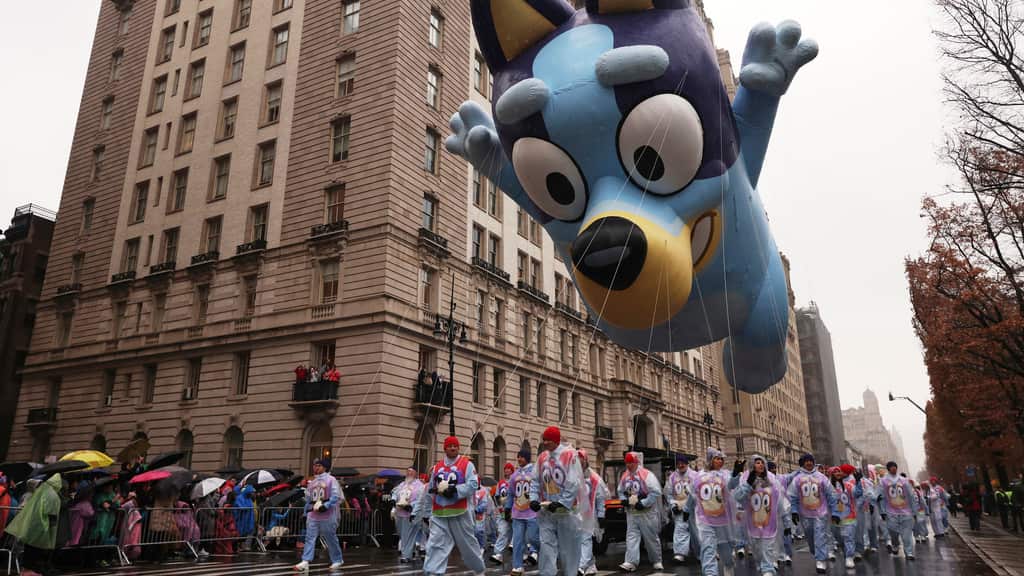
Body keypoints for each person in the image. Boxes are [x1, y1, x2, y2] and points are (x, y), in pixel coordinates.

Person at [421, 436, 485, 576]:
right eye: (450, 446)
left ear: (458, 447)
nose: (452, 448)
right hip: (440, 513)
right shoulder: (437, 467)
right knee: (435, 543)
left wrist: (455, 490)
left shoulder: (467, 464)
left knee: (467, 544)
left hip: (460, 513)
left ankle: (479, 570)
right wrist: (426, 513)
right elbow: (430, 490)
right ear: (444, 448)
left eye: (455, 446)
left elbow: (474, 485)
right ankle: (433, 571)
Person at [530, 426, 583, 576]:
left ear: (555, 441)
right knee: (546, 545)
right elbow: (535, 480)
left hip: (567, 512)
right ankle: (547, 573)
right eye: (544, 439)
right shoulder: (542, 458)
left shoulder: (568, 456)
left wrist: (562, 502)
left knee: (568, 548)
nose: (545, 443)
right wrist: (534, 499)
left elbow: (573, 483)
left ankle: (571, 573)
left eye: (548, 440)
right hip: (546, 511)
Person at [731, 455, 788, 576]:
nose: (761, 465)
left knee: (767, 548)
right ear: (752, 465)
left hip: (769, 523)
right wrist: (748, 484)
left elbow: (779, 502)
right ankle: (763, 565)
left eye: (762, 463)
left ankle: (768, 570)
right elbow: (738, 497)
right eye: (757, 463)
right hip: (753, 523)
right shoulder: (747, 481)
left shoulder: (771, 481)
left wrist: (786, 521)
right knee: (757, 550)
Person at [686, 448, 737, 576]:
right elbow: (693, 494)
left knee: (726, 550)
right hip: (705, 520)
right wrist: (687, 509)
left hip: (723, 520)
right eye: (717, 458)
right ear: (710, 460)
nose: (720, 461)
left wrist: (736, 474)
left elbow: (732, 485)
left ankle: (729, 565)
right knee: (708, 548)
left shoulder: (725, 475)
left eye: (722, 459)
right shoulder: (699, 476)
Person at [787, 453, 838, 574]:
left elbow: (831, 495)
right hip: (805, 514)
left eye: (811, 461)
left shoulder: (821, 477)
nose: (809, 463)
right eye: (806, 461)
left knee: (820, 535)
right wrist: (794, 511)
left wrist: (835, 511)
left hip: (821, 513)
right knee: (810, 537)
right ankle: (817, 553)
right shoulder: (797, 479)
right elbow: (793, 497)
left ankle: (820, 561)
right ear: (803, 463)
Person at [6, 473, 63, 576]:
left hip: (32, 523)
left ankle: (26, 570)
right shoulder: (52, 494)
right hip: (41, 525)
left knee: (30, 547)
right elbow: (52, 513)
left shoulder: (42, 490)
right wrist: (52, 528)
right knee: (36, 548)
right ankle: (29, 571)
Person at [293, 457, 344, 572]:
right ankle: (305, 560)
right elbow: (308, 499)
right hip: (313, 515)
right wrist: (306, 511)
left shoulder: (331, 480)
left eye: (318, 465)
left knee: (330, 537)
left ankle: (337, 559)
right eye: (314, 465)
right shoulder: (312, 482)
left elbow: (335, 496)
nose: (315, 467)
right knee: (309, 537)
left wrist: (325, 505)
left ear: (324, 467)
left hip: (327, 514)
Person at [617, 451, 663, 572]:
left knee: (650, 537)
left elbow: (656, 492)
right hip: (632, 513)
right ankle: (631, 562)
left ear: (636, 462)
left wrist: (643, 503)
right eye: (627, 462)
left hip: (647, 513)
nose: (628, 465)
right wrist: (624, 500)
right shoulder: (625, 476)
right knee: (631, 536)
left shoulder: (646, 475)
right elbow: (620, 490)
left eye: (631, 462)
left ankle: (656, 560)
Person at [506, 450, 540, 576]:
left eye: (521, 457)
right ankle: (517, 566)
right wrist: (508, 508)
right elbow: (510, 493)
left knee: (533, 538)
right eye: (518, 457)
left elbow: (540, 489)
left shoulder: (534, 472)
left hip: (532, 512)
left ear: (527, 458)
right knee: (518, 541)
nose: (519, 459)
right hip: (518, 513)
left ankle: (542, 550)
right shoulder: (514, 475)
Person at [877, 461, 918, 561]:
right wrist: (882, 511)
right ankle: (895, 545)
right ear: (888, 469)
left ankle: (909, 553)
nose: (893, 468)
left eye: (895, 466)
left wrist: (914, 511)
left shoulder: (904, 480)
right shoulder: (883, 481)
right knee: (893, 531)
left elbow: (911, 496)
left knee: (907, 533)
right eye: (891, 467)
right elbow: (881, 497)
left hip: (906, 512)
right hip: (891, 512)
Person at [577, 449, 608, 576]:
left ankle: (581, 566)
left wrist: (601, 515)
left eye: (581, 460)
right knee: (579, 540)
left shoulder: (594, 479)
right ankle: (591, 565)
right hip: (576, 514)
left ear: (585, 461)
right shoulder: (573, 476)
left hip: (590, 515)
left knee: (586, 539)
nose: (579, 463)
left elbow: (601, 497)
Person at [664, 454, 699, 564]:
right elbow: (668, 493)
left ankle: (702, 553)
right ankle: (680, 553)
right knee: (680, 530)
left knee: (697, 532)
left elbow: (698, 493)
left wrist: (691, 506)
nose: (680, 465)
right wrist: (673, 505)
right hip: (679, 509)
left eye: (683, 463)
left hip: (693, 510)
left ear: (687, 463)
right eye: (678, 463)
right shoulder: (673, 477)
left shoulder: (695, 475)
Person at [830, 465, 862, 570]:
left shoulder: (848, 485)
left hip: (849, 517)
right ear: (832, 474)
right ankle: (846, 552)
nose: (838, 473)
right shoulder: (829, 487)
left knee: (849, 538)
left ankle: (849, 557)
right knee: (839, 539)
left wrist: (858, 482)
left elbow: (858, 493)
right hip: (835, 519)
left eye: (839, 471)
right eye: (835, 472)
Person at [392, 466, 425, 563]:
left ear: (416, 474)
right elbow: (395, 492)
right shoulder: (402, 484)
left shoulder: (419, 485)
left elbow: (420, 499)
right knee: (402, 534)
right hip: (399, 513)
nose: (409, 473)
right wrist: (393, 499)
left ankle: (406, 555)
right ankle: (411, 550)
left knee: (408, 534)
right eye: (408, 472)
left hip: (410, 514)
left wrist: (411, 506)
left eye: (411, 472)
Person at [490, 462, 515, 565]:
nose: (506, 470)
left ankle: (521, 551)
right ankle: (498, 554)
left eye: (508, 469)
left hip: (514, 511)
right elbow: (496, 497)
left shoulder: (515, 481)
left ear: (512, 470)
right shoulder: (500, 483)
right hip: (503, 512)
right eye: (505, 469)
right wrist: (499, 507)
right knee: (502, 532)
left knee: (517, 532)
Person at [854, 466, 878, 555]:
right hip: (858, 508)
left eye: (858, 471)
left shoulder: (867, 481)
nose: (856, 473)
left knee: (870, 527)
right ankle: (864, 545)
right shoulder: (853, 482)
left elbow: (871, 493)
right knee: (861, 527)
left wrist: (872, 503)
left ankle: (873, 545)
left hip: (867, 507)